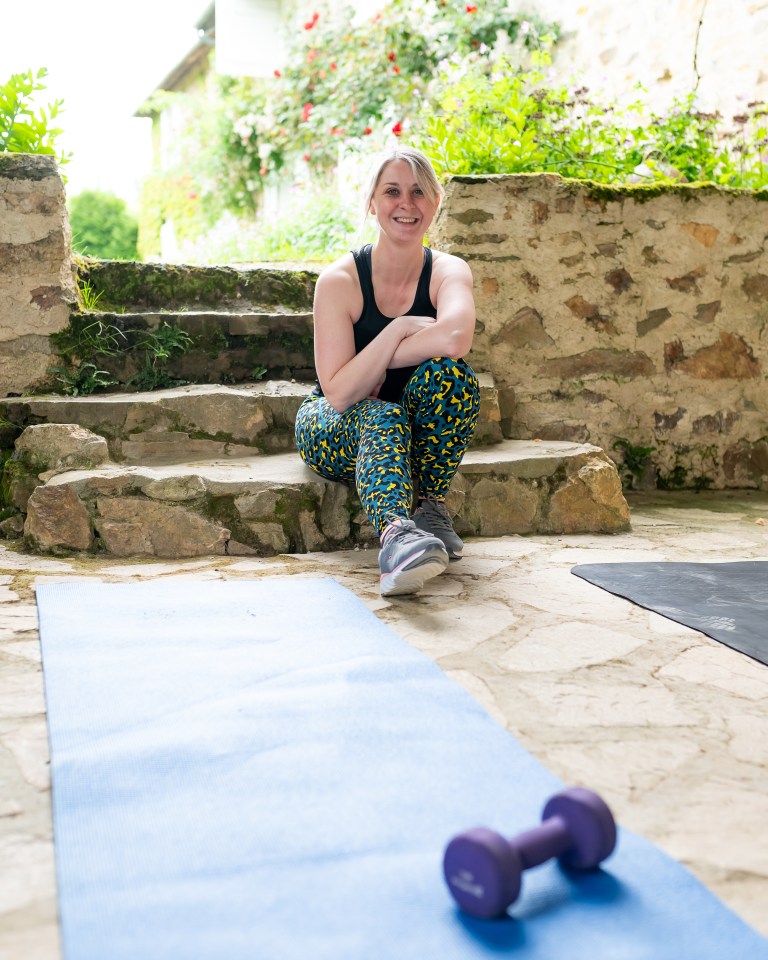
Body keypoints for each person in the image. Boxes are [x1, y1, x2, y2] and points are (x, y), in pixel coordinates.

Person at [294, 146, 480, 597]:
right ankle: (397, 539)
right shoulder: (339, 282)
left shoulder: (447, 271)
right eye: (392, 191)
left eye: (419, 192)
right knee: (382, 415)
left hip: (410, 429)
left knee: (453, 378)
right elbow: (339, 394)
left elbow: (454, 339)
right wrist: (395, 330)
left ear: (435, 203)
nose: (406, 204)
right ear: (372, 201)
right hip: (335, 424)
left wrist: (372, 360)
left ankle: (430, 506)